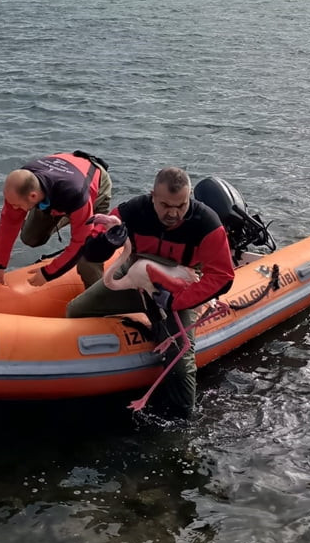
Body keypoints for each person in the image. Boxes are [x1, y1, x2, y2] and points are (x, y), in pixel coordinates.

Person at [66, 167, 234, 417]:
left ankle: (183, 422)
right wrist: (109, 241)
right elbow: (91, 254)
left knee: (180, 363)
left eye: (181, 205)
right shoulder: (132, 211)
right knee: (75, 310)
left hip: (176, 288)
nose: (173, 213)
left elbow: (222, 276)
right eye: (166, 205)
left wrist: (177, 301)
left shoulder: (206, 222)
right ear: (152, 195)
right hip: (134, 274)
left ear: (189, 198)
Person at [0, 150, 112, 287]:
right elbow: (8, 224)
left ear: (33, 196)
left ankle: (100, 299)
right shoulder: (19, 185)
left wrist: (48, 273)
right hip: (63, 167)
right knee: (30, 237)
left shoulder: (75, 194)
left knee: (88, 257)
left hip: (94, 185)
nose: (14, 208)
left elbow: (81, 242)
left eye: (17, 205)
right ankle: (74, 218)